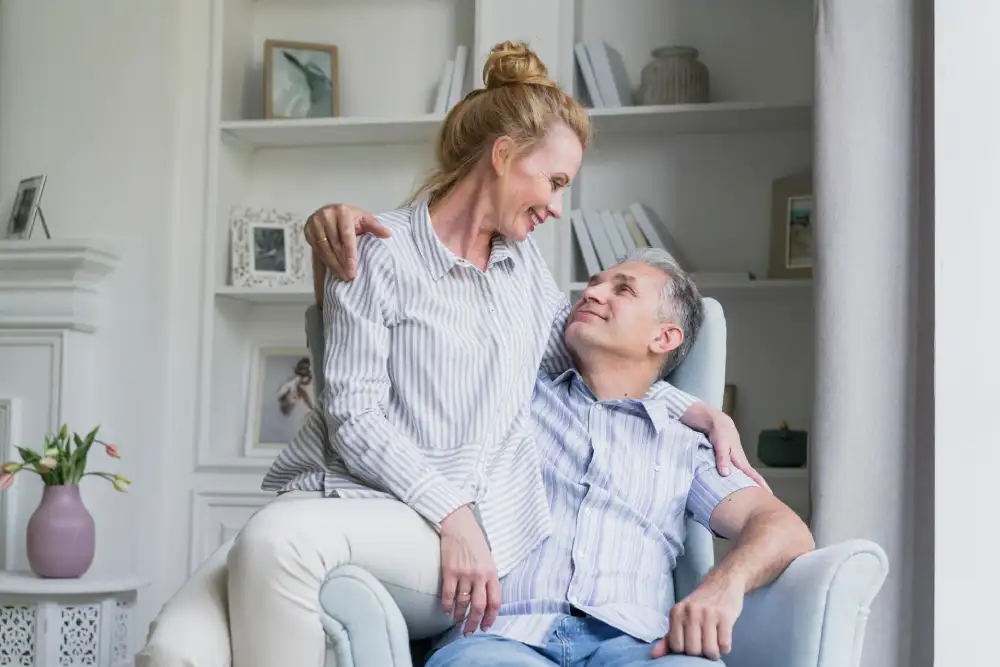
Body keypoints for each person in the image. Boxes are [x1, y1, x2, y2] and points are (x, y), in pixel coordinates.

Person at [225, 40, 760, 667]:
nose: (559, 208)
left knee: (261, 551)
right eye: (555, 182)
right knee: (178, 644)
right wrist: (455, 514)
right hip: (360, 504)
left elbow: (595, 362)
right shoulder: (377, 248)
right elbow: (354, 414)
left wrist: (692, 408)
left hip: (409, 533)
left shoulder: (524, 271)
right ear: (503, 155)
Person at [420, 249, 814, 666]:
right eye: (593, 283)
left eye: (621, 289)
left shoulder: (687, 444)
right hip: (501, 638)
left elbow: (784, 529)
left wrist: (724, 584)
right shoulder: (513, 401)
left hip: (641, 647)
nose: (593, 293)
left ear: (663, 338)